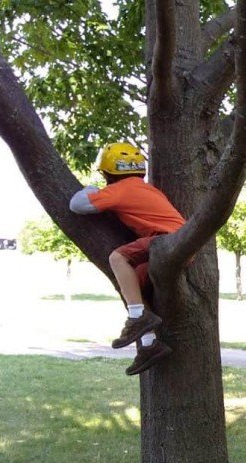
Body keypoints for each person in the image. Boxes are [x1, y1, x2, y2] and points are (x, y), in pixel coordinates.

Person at [69, 142, 185, 376]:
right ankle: (150, 345)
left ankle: (137, 317)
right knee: (135, 285)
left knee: (117, 258)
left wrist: (91, 188)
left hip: (166, 241)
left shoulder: (121, 189)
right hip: (180, 245)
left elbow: (77, 205)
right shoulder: (145, 188)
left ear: (108, 172)